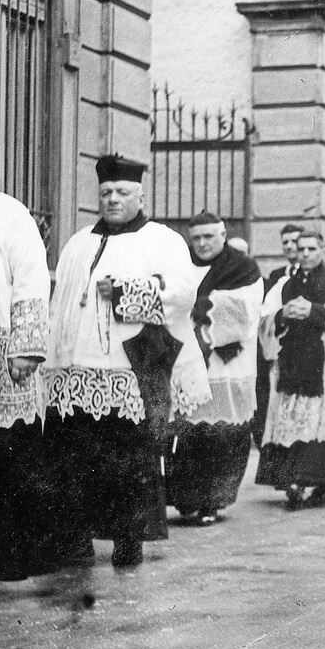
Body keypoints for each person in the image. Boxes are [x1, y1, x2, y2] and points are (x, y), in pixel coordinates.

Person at [45, 154, 210, 567]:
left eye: (121, 192)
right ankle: (76, 538)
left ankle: (128, 538)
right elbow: (62, 302)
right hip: (76, 368)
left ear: (140, 195)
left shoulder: (163, 239)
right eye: (106, 193)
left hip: (130, 365)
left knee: (128, 458)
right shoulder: (78, 242)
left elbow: (182, 294)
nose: (112, 199)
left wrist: (124, 291)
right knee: (75, 453)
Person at [165, 212, 263, 526]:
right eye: (197, 238)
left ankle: (213, 500)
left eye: (210, 236)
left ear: (223, 234)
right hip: (187, 359)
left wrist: (199, 305)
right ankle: (186, 498)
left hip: (226, 364)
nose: (203, 243)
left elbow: (244, 310)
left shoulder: (242, 267)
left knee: (222, 434)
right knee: (188, 434)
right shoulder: (181, 263)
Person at [255, 231, 325, 510]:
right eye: (300, 248)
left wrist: (315, 311)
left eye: (311, 248)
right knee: (294, 420)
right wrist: (282, 315)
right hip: (291, 362)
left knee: (321, 421)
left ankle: (324, 482)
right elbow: (265, 320)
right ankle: (294, 480)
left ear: (322, 251)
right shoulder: (282, 284)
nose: (304, 253)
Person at [0, 188, 58, 596]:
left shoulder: (8, 212)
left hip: (2, 357)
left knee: (3, 458)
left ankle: (6, 558)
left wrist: (27, 347)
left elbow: (32, 278)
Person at [255, 223, 305, 446]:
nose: (290, 246)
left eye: (294, 241)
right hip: (279, 345)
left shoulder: (310, 275)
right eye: (285, 242)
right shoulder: (276, 275)